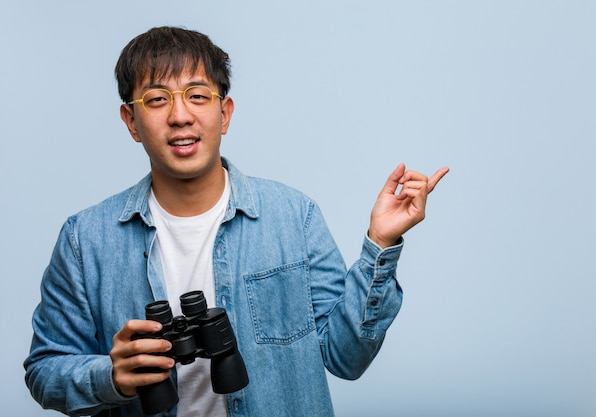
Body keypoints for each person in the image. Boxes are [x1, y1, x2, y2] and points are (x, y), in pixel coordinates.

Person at [24, 26, 449, 417]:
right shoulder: (86, 239)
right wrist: (111, 377)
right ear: (131, 121)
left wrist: (380, 243)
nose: (180, 116)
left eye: (197, 95)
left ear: (224, 113)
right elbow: (45, 370)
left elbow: (345, 357)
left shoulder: (292, 216)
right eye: (156, 99)